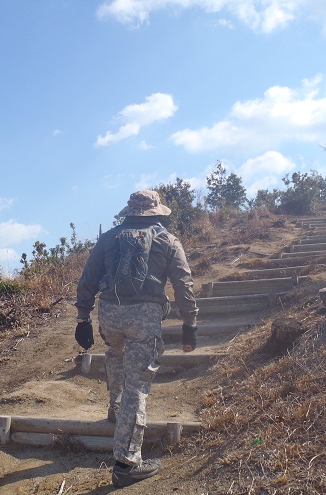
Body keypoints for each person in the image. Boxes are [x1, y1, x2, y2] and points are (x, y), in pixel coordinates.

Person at [74, 190, 199, 488]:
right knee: (137, 385)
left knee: (116, 354)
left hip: (110, 314)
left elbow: (88, 277)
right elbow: (183, 282)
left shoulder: (109, 238)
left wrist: (83, 318)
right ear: (156, 213)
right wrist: (189, 322)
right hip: (144, 316)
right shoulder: (167, 239)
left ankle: (116, 410)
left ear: (128, 212)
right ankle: (127, 464)